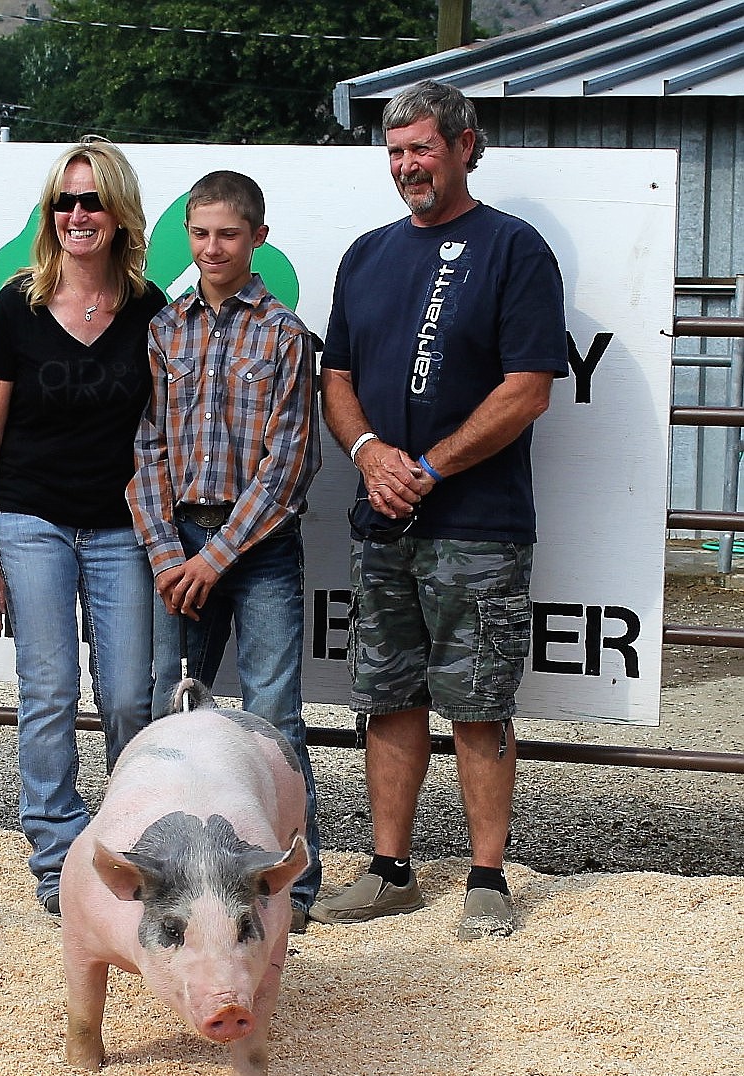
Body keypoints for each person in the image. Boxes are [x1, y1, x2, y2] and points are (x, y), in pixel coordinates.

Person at [312, 80, 569, 940]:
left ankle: (486, 878)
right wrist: (369, 455)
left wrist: (428, 465)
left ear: (465, 145)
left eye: (421, 148)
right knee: (386, 696)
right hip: (380, 517)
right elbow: (336, 379)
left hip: (478, 522)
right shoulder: (366, 254)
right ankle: (390, 871)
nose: (407, 166)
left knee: (479, 699)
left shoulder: (514, 250)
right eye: (394, 152)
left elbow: (526, 390)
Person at [0, 136, 167, 918]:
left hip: (122, 528)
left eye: (92, 200)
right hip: (30, 520)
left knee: (126, 698)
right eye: (64, 200)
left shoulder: (151, 310)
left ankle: (129, 849)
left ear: (119, 213)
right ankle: (55, 858)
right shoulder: (14, 307)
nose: (77, 214)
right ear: (50, 214)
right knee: (46, 691)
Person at [126, 170, 323, 932]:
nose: (213, 248)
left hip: (260, 548)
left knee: (274, 715)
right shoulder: (164, 329)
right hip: (178, 542)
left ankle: (290, 889)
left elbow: (288, 463)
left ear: (257, 240)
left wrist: (215, 559)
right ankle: (166, 872)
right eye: (200, 234)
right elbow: (144, 446)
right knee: (166, 712)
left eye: (228, 235)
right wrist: (165, 552)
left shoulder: (281, 335)